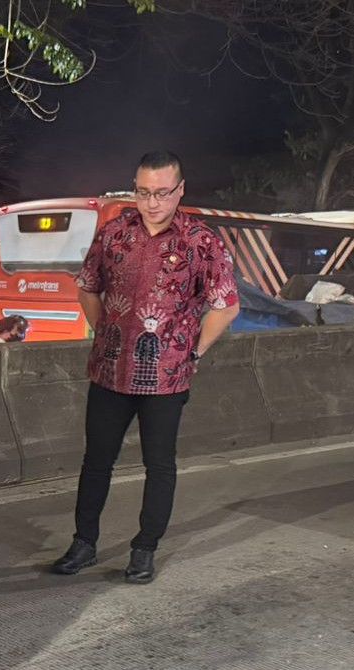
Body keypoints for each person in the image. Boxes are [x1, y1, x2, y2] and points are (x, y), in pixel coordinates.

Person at [51, 151, 240, 584]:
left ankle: (144, 549)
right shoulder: (114, 233)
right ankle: (83, 543)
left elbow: (226, 306)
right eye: (143, 192)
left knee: (159, 465)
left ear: (180, 190)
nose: (152, 202)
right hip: (109, 373)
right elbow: (87, 288)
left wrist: (193, 351)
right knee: (96, 461)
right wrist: (106, 334)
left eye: (161, 193)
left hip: (167, 377)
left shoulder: (201, 241)